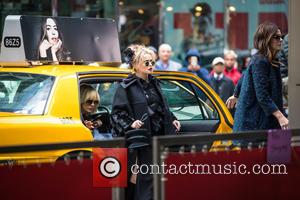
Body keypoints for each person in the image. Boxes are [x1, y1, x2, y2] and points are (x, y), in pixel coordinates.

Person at [111, 44, 180, 200]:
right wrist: (130, 123)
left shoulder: (155, 83)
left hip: (158, 140)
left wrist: (172, 119)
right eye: (146, 63)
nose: (150, 66)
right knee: (144, 182)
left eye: (152, 62)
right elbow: (117, 114)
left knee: (157, 181)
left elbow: (162, 107)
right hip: (140, 143)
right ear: (135, 65)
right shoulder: (126, 87)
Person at [230, 22, 288, 133]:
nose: (280, 40)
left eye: (282, 37)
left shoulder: (271, 60)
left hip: (262, 121)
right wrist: (280, 116)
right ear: (266, 39)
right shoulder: (260, 61)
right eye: (276, 37)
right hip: (254, 124)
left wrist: (235, 94)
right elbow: (262, 95)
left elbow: (245, 75)